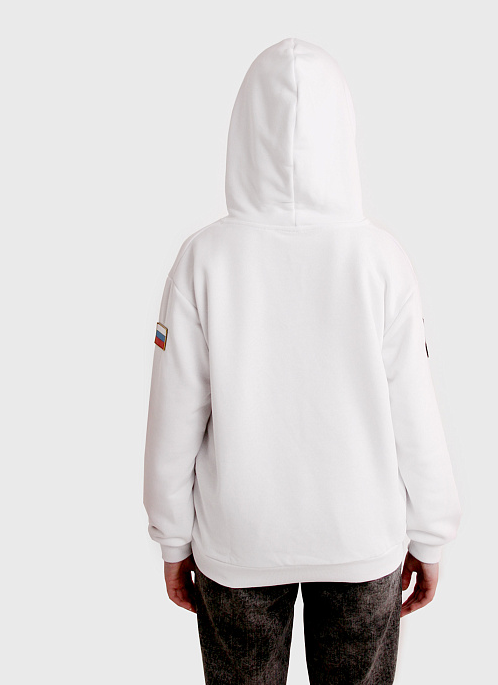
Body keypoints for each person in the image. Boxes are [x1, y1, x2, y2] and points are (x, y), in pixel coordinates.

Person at [143, 37, 462, 685]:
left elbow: (174, 416)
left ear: (241, 132)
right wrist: (431, 532)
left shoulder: (203, 259)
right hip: (360, 537)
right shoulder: (382, 261)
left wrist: (173, 536)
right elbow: (415, 413)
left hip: (239, 540)